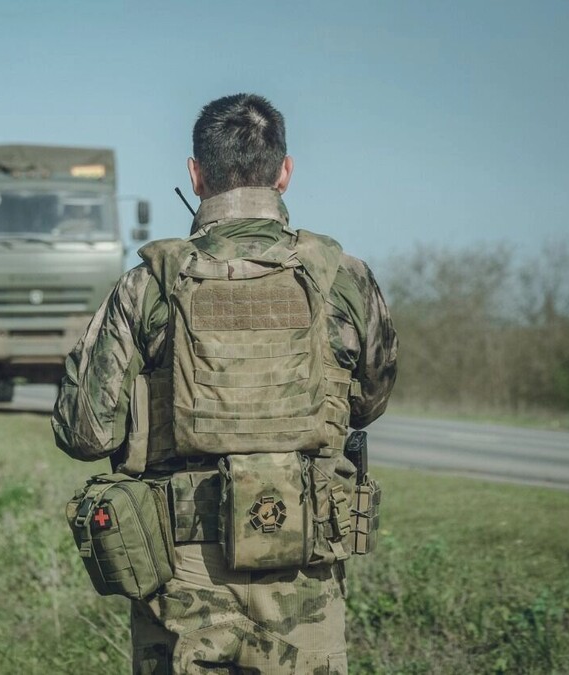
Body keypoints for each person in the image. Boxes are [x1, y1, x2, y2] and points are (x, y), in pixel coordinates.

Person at [52, 93, 398, 674]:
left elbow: (85, 431)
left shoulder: (147, 286)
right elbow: (369, 402)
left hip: (182, 571)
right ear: (284, 172)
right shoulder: (346, 280)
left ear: (196, 173)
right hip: (304, 566)